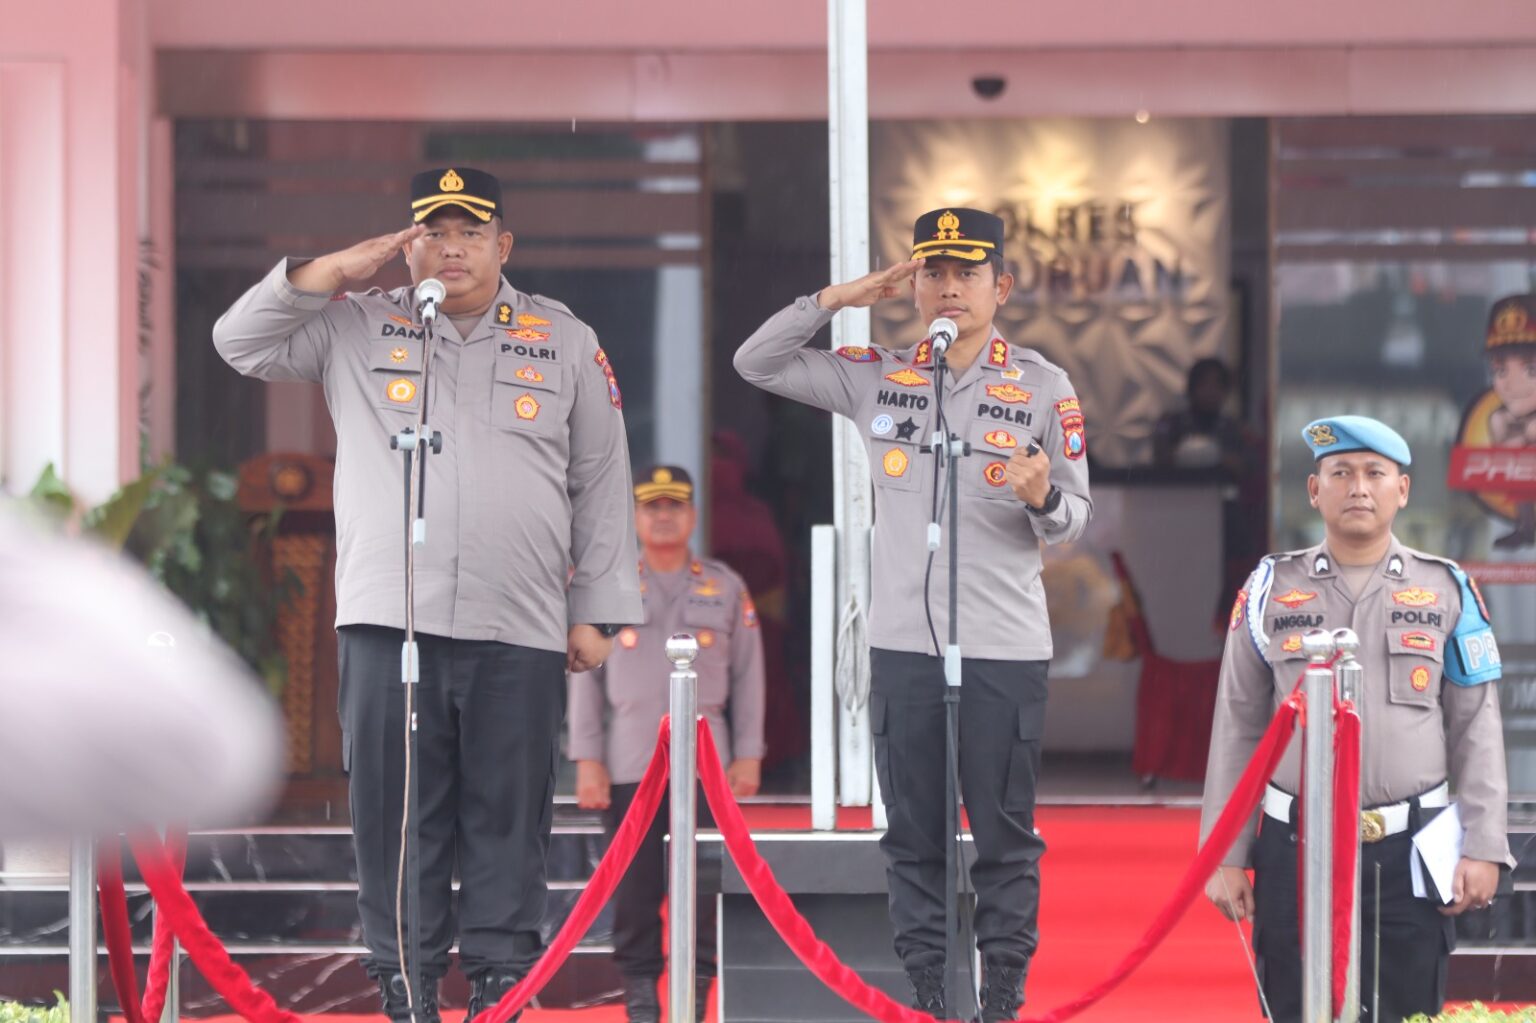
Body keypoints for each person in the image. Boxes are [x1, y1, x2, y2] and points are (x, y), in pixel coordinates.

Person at [212, 167, 643, 1023]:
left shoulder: (563, 339)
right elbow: (240, 343)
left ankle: (499, 985)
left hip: (517, 620)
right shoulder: (355, 324)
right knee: (395, 812)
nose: (451, 248)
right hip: (389, 619)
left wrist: (597, 607)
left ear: (502, 244)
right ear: (407, 244)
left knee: (507, 814)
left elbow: (600, 475)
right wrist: (333, 269)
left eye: (469, 232)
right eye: (432, 232)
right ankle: (404, 983)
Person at [733, 208, 1093, 1021]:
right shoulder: (879, 374)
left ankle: (1003, 993)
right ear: (914, 284)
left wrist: (1043, 497)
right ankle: (928, 993)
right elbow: (756, 362)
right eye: (934, 273)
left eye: (967, 273)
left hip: (1004, 649)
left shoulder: (1043, 385)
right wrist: (838, 298)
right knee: (913, 834)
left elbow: (1075, 519)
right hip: (904, 647)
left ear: (1001, 287)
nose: (948, 288)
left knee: (1004, 834)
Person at [1201, 415, 1511, 1023]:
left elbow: (1476, 727)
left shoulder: (1447, 590)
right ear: (1315, 490)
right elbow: (1237, 724)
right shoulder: (1270, 588)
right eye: (1341, 473)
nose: (1359, 488)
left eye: (1375, 473)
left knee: (1407, 1008)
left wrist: (1485, 845)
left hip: (1411, 850)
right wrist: (1225, 852)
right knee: (1296, 1005)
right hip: (1296, 844)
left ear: (1403, 490)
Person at [569, 465, 765, 1023]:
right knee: (633, 890)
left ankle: (695, 999)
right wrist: (587, 758)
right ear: (634, 517)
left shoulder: (725, 586)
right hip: (630, 761)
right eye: (651, 507)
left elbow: (750, 675)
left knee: (703, 889)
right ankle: (640, 1002)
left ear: (693, 515)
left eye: (673, 506)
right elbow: (583, 677)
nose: (662, 516)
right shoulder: (610, 586)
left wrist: (749, 753)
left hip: (708, 765)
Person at [1484, 293, 1536, 550]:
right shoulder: (1501, 419)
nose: (1512, 385)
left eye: (1531, 370)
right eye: (1501, 371)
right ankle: (1527, 527)